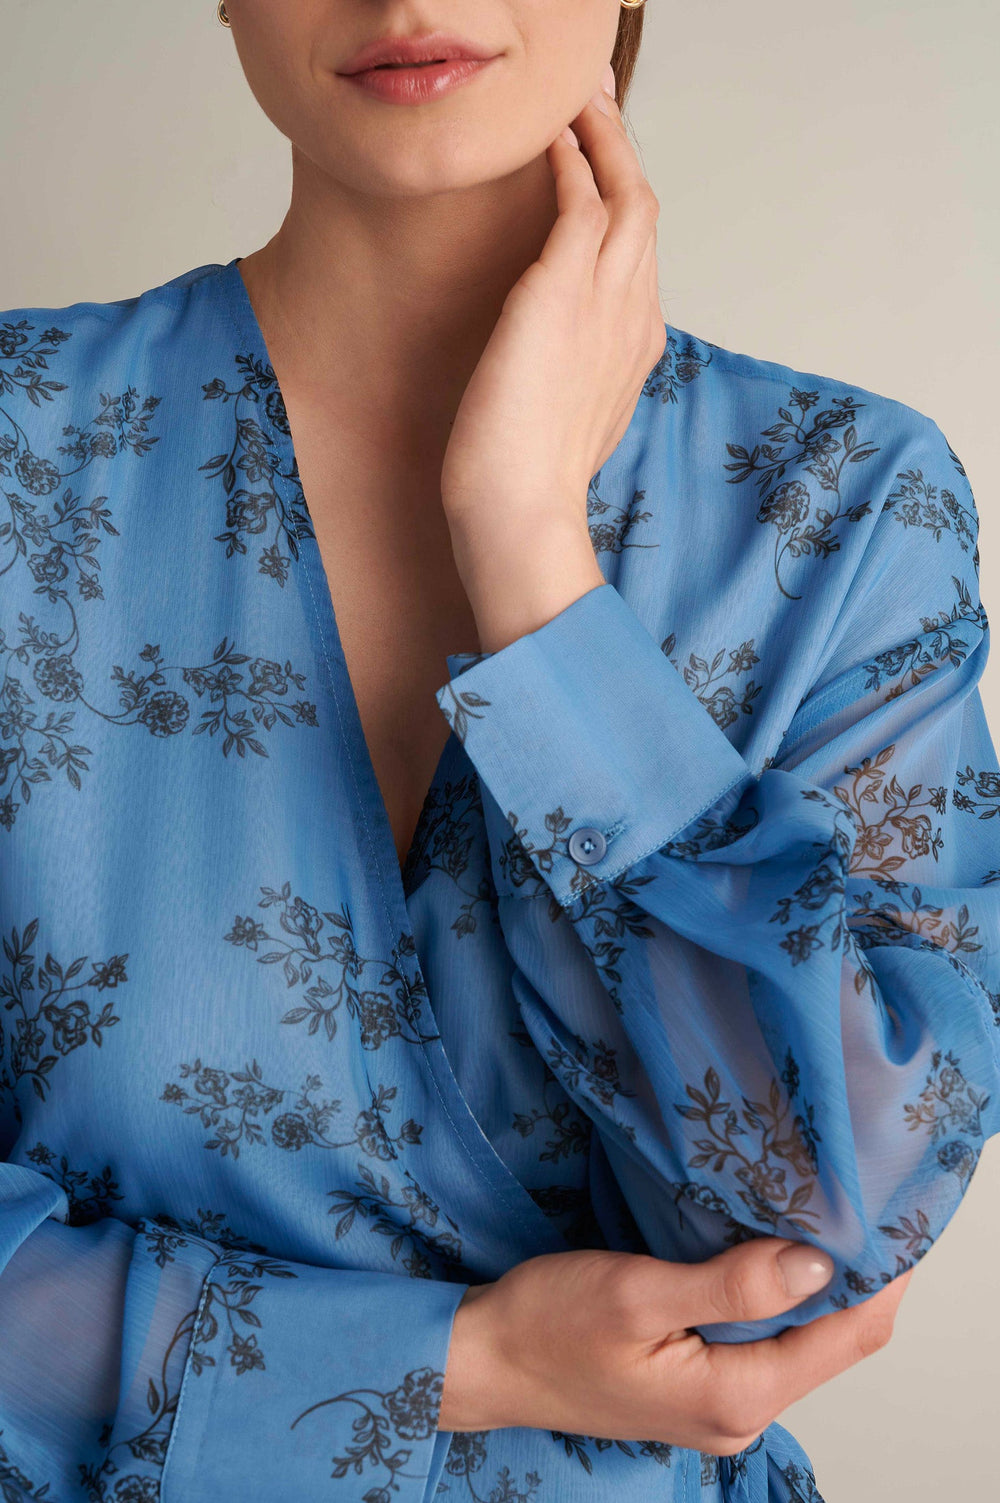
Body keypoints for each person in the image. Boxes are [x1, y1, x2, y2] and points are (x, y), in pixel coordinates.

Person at [0, 2, 996, 1500]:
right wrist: (470, 1364)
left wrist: (535, 567)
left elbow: (829, 1228)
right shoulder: (21, 454)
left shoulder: (846, 507)